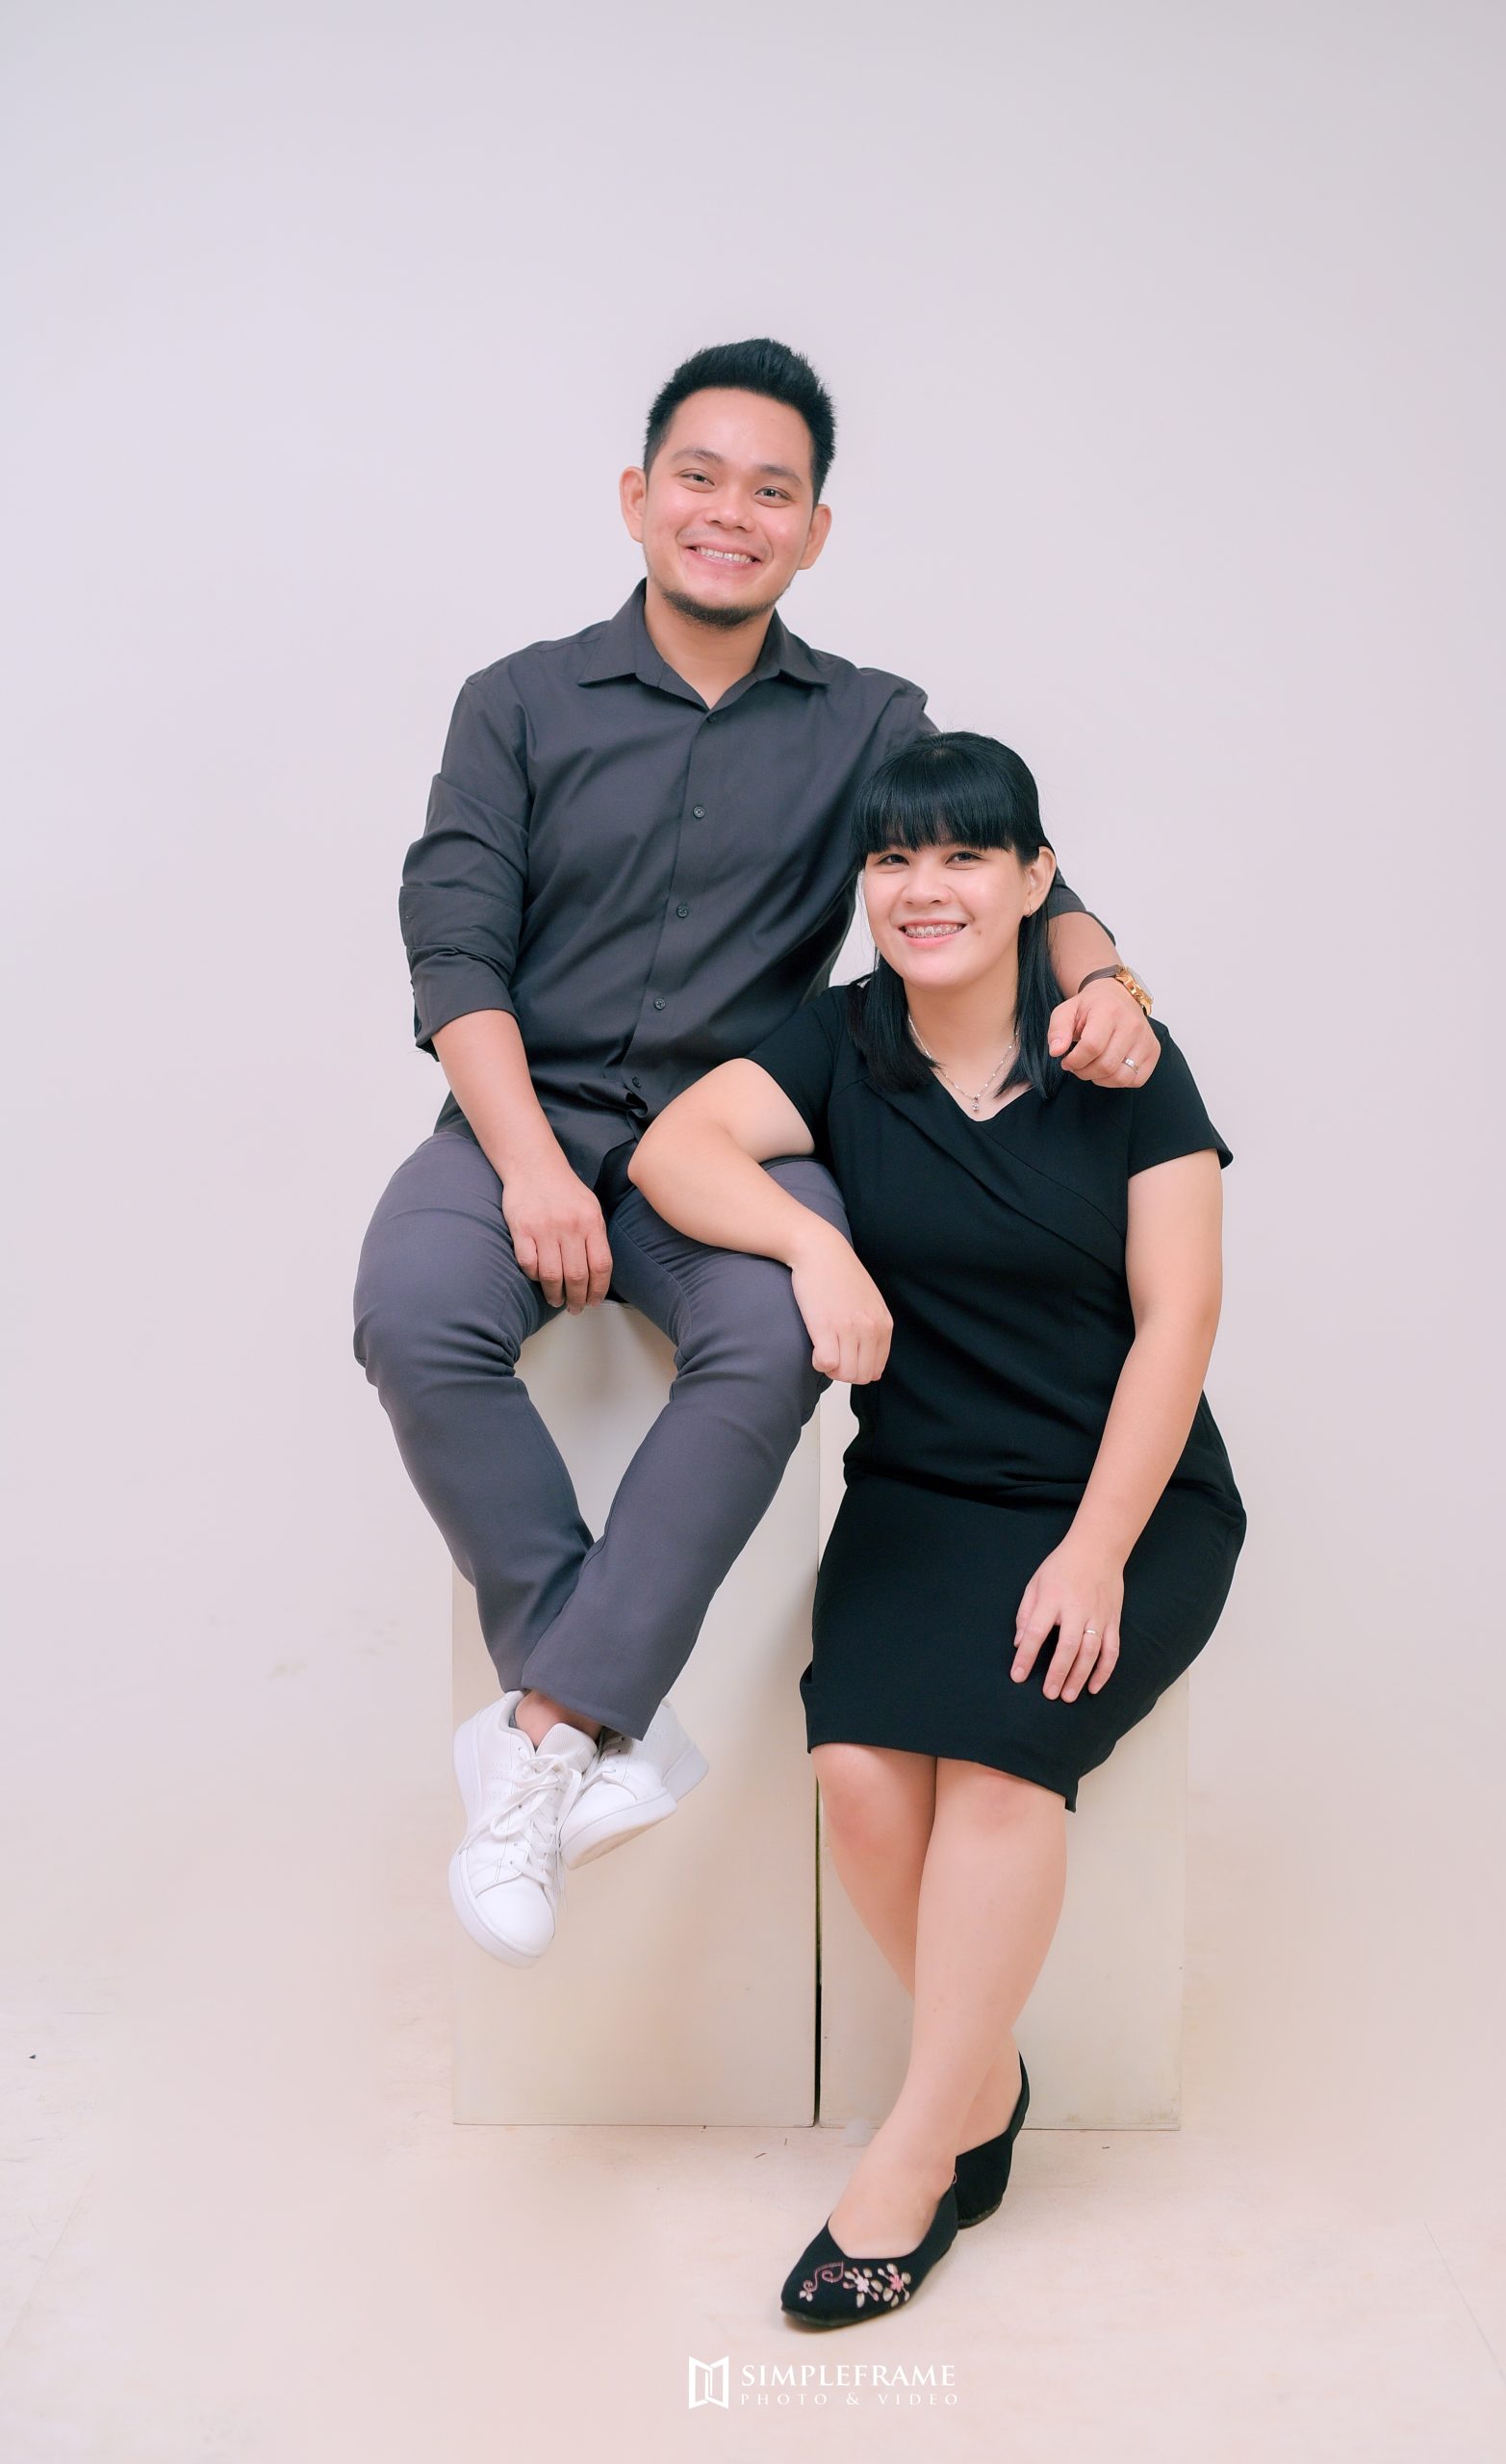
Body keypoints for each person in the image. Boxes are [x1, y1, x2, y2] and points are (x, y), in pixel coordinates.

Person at [351, 338, 1165, 1969]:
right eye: (700, 478)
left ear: (814, 530)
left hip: (733, 1131)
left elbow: (1023, 872)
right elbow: (454, 949)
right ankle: (593, 1708)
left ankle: (546, 1731)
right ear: (638, 497)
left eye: (771, 491)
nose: (731, 513)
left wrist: (1104, 983)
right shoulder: (516, 701)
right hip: (518, 1115)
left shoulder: (868, 721)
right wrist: (530, 1168)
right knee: (410, 1313)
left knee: (779, 1326)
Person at [627, 730, 1245, 2325]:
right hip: (922, 1490)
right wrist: (813, 1248)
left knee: (994, 1778)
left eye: (965, 855)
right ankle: (989, 2084)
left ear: (1036, 883)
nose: (925, 888)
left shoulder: (1122, 1059)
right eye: (894, 858)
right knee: (854, 1779)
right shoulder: (839, 1043)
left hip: (1123, 1496)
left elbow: (1178, 1323)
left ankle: (915, 2151)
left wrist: (1094, 1554)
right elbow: (673, 1149)